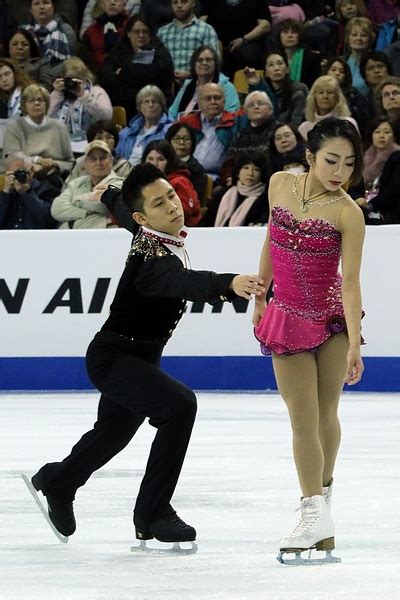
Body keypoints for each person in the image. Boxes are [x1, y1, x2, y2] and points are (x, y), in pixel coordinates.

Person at [25, 162, 265, 546]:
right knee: (180, 406)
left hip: (138, 359)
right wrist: (227, 284)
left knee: (114, 433)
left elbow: (125, 210)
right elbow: (183, 281)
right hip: (114, 358)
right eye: (160, 203)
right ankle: (153, 513)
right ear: (145, 216)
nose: (173, 206)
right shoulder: (152, 262)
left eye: (171, 195)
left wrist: (107, 194)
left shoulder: (145, 229)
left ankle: (59, 482)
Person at [252, 117, 365, 563]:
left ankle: (321, 509)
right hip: (288, 316)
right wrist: (260, 294)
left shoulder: (347, 212)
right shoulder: (280, 184)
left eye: (349, 164)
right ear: (310, 156)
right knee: (302, 418)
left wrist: (355, 342)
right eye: (331, 160)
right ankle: (313, 509)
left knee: (326, 415)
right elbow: (271, 240)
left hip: (333, 317)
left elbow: (351, 282)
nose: (340, 172)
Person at [101, 14, 174, 121]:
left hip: (153, 102)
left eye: (145, 31)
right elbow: (106, 77)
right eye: (136, 31)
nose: (141, 35)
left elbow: (158, 74)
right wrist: (141, 73)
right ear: (128, 34)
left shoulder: (160, 52)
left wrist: (124, 72)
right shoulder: (117, 53)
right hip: (123, 101)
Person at [3, 83, 73, 179]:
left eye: (40, 100)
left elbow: (70, 162)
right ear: (24, 105)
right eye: (31, 100)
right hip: (24, 178)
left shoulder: (60, 127)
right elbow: (11, 158)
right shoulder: (14, 127)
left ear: (47, 104)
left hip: (54, 178)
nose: (36, 103)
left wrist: (55, 165)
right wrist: (37, 160)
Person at [178, 82, 247, 180]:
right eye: (208, 98)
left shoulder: (235, 122)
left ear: (224, 101)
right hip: (185, 174)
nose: (213, 101)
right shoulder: (186, 122)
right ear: (199, 102)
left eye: (217, 98)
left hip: (218, 179)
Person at [50, 140, 124, 229]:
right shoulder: (76, 183)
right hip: (68, 236)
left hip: (101, 236)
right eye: (93, 158)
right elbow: (57, 210)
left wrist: (75, 200)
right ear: (85, 163)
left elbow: (100, 205)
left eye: (103, 158)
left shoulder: (119, 183)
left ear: (111, 160)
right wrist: (85, 213)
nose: (98, 162)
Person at [48, 57, 113, 143]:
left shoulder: (96, 92)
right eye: (69, 79)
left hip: (90, 142)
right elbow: (45, 119)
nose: (73, 83)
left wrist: (83, 96)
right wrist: (56, 93)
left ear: (85, 78)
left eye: (77, 79)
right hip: (61, 142)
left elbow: (106, 117)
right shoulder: (59, 94)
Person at [200, 0, 272, 76]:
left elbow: (265, 26)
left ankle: (252, 83)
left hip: (247, 42)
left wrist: (244, 39)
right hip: (215, 42)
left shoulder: (256, 1)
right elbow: (201, 23)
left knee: (248, 55)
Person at [157, 0, 220, 85]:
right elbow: (156, 62)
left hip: (198, 83)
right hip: (166, 84)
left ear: (193, 3)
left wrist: (191, 74)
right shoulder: (162, 32)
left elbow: (215, 62)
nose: (179, 5)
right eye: (175, 2)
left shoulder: (206, 30)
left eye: (184, 2)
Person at [168, 45, 240, 120]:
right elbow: (172, 113)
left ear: (215, 64)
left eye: (208, 60)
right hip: (180, 127)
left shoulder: (226, 87)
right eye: (200, 60)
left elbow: (231, 115)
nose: (204, 63)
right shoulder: (187, 85)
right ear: (194, 64)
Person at [142, 139, 201, 226]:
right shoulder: (141, 182)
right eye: (150, 159)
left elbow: (182, 214)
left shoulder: (180, 182)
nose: (154, 164)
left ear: (169, 162)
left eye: (161, 159)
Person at [244, 51, 307, 127]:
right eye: (271, 65)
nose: (276, 68)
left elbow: (297, 123)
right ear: (266, 72)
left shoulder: (298, 90)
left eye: (280, 63)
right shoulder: (262, 90)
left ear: (287, 69)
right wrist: (256, 85)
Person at [116, 84, 173, 166]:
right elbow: (116, 156)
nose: (150, 105)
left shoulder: (169, 130)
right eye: (146, 101)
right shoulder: (126, 133)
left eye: (155, 102)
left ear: (162, 106)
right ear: (139, 107)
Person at [0, 152, 57, 229]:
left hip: (35, 237)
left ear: (32, 171)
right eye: (13, 174)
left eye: (20, 172)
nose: (17, 177)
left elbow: (48, 219)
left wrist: (27, 193)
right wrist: (5, 193)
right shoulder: (6, 193)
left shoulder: (47, 189)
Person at [65, 120, 132, 183]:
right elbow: (67, 189)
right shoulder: (80, 163)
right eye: (99, 138)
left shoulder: (124, 166)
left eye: (109, 137)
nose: (104, 141)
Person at [214, 150, 269, 226]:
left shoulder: (265, 199)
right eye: (246, 168)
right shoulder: (223, 194)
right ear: (237, 172)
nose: (250, 173)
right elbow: (207, 223)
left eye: (256, 169)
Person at [298, 75, 359, 140]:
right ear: (314, 97)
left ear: (337, 97)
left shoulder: (348, 123)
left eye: (330, 92)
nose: (325, 96)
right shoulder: (303, 128)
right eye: (321, 93)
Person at [80, 0, 129, 73]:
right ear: (100, 3)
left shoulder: (132, 27)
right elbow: (86, 60)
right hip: (97, 77)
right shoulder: (90, 32)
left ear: (124, 3)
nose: (112, 2)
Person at [165, 122, 207, 204]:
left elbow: (196, 198)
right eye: (177, 138)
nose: (181, 142)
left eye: (186, 139)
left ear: (192, 143)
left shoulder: (196, 169)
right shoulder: (162, 163)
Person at [275, 18, 321, 89]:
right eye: (285, 32)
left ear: (299, 35)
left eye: (293, 32)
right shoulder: (273, 58)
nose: (290, 35)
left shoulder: (312, 58)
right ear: (279, 36)